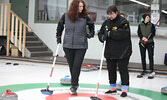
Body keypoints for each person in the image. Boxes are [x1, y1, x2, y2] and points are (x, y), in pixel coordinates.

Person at [56, 0, 94, 95]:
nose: (81, 8)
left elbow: (92, 25)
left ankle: (73, 86)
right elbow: (60, 26)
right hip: (68, 45)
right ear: (74, 7)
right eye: (79, 6)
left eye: (82, 6)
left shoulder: (85, 17)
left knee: (76, 66)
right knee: (72, 66)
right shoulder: (66, 16)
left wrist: (90, 34)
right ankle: (75, 83)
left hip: (81, 45)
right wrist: (58, 36)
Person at [98, 5, 132, 97]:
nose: (110, 16)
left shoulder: (123, 22)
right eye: (109, 14)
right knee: (111, 69)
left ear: (116, 12)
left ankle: (124, 89)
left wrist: (109, 33)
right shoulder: (106, 22)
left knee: (123, 69)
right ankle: (112, 88)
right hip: (110, 51)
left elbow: (123, 34)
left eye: (112, 14)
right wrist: (102, 37)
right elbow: (101, 33)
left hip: (123, 51)